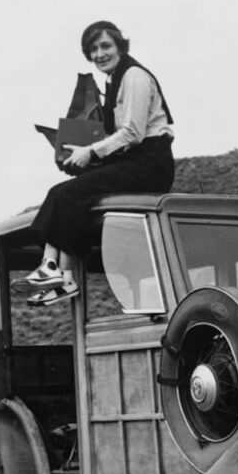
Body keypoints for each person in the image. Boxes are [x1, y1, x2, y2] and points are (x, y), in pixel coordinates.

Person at [26, 20, 175, 305]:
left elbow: (132, 132)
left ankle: (60, 276)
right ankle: (53, 270)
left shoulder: (134, 76)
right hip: (134, 160)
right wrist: (79, 151)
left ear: (120, 46)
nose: (100, 54)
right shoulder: (113, 79)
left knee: (71, 193)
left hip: (150, 164)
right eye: (93, 49)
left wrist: (90, 152)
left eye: (105, 46)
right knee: (62, 192)